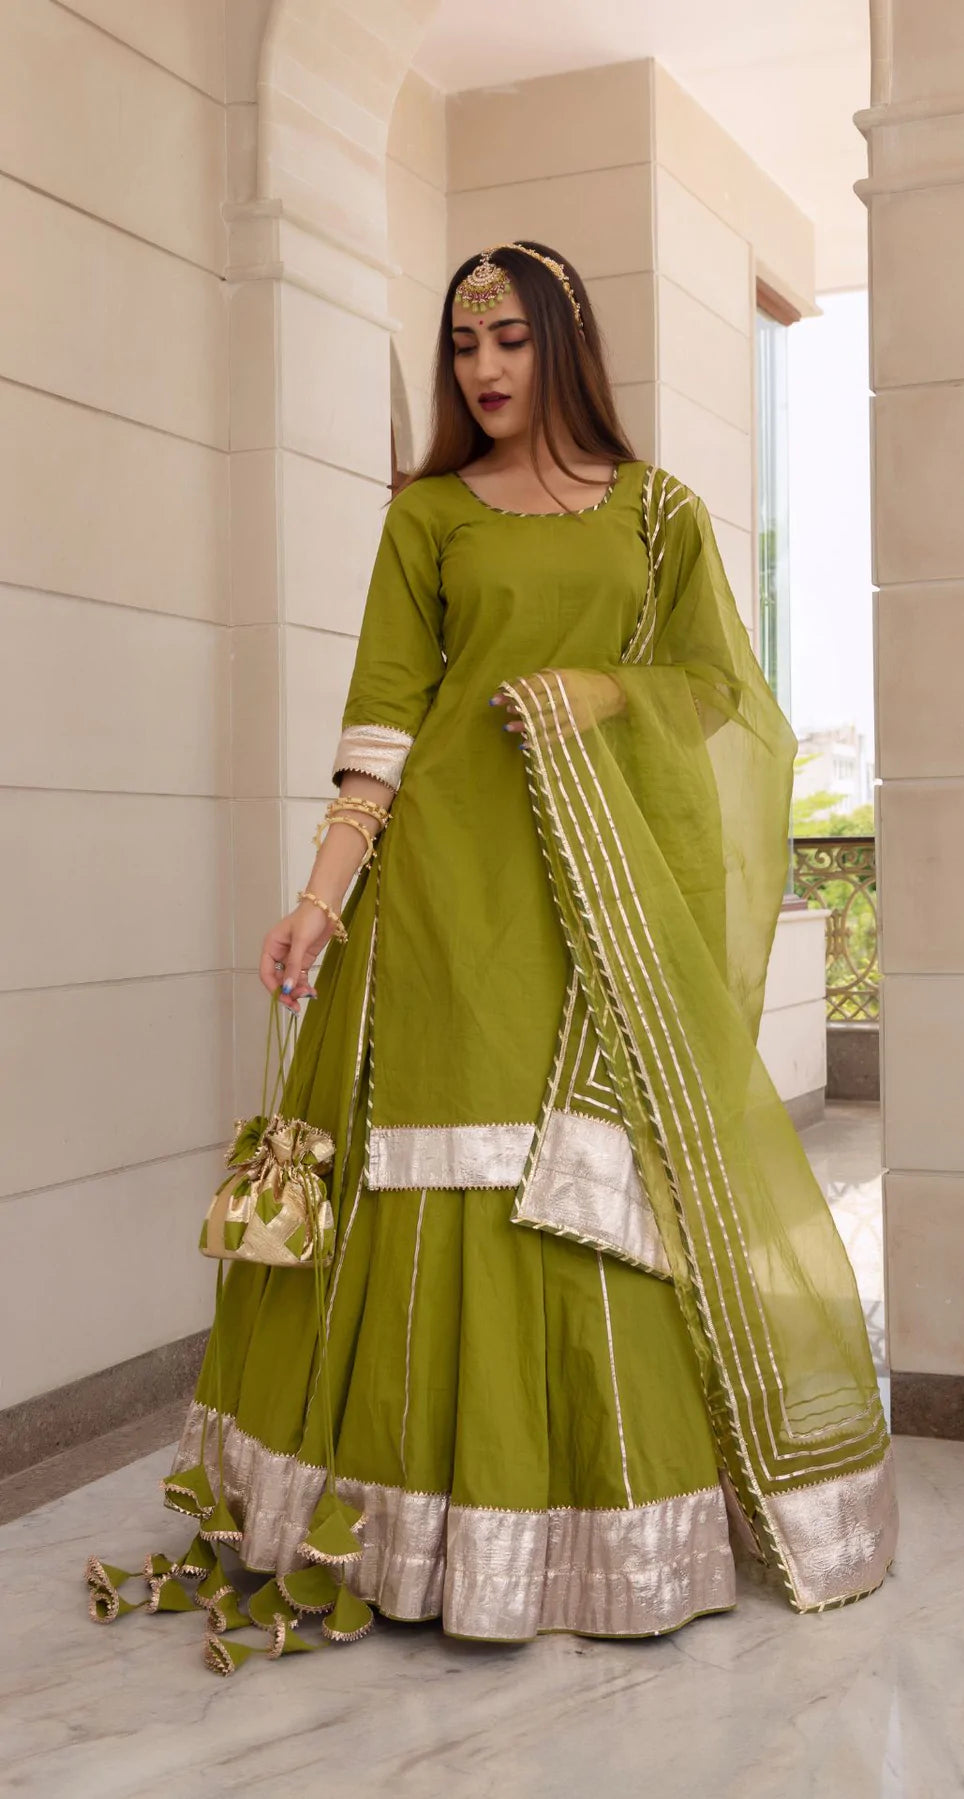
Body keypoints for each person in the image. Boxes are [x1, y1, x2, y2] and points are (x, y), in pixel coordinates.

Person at [88, 242, 896, 1669]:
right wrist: (319, 899)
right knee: (434, 1177)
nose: (484, 369)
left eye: (510, 339)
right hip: (436, 896)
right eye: (465, 346)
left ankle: (601, 1532)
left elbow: (725, 691)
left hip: (590, 905)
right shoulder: (430, 518)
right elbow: (385, 718)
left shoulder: (656, 513)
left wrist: (601, 692)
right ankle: (405, 1536)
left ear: (564, 345)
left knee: (578, 1186)